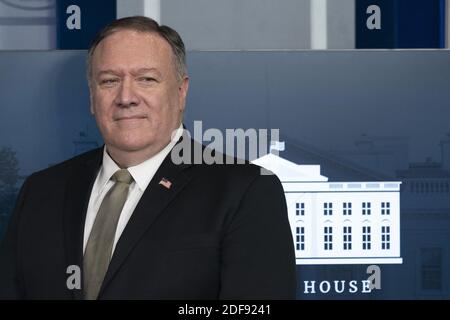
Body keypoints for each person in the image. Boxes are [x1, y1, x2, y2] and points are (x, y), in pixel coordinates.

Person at [0, 16, 296, 300]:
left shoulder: (245, 191)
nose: (126, 96)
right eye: (109, 80)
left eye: (146, 79)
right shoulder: (40, 192)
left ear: (181, 92)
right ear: (92, 96)